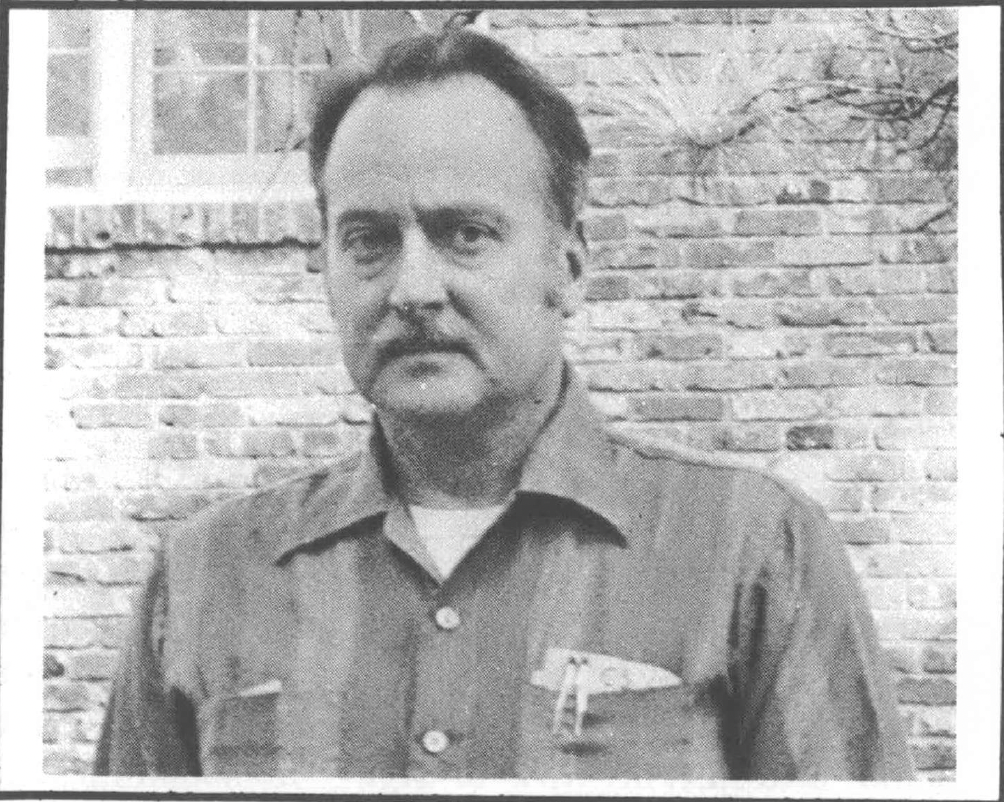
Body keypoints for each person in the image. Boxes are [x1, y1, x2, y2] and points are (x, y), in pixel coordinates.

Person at [94, 27, 914, 780]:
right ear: (326, 266)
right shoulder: (204, 578)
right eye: (370, 240)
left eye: (468, 234)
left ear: (570, 265)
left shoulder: (754, 553)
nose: (413, 288)